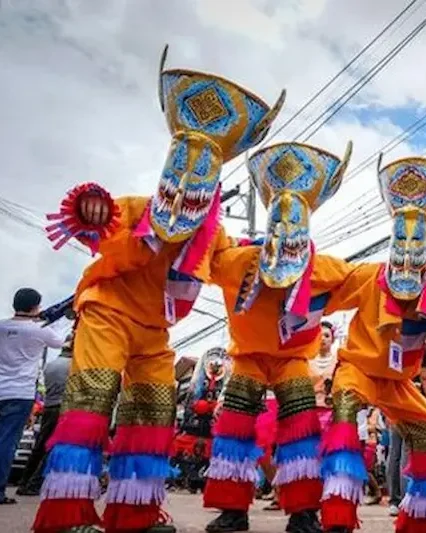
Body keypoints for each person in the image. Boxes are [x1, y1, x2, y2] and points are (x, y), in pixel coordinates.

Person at [32, 49, 285, 533]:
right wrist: (91, 211)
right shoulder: (138, 206)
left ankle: (134, 512)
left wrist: (268, 253)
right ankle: (67, 516)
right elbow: (98, 227)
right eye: (182, 167)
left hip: (155, 332)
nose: (191, 180)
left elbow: (228, 264)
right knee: (93, 400)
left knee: (152, 411)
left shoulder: (214, 234)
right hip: (107, 314)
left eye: (203, 174)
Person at [203, 140, 353, 533]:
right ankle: (232, 510)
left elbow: (369, 282)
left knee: (301, 429)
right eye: (279, 223)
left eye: (296, 225)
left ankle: (303, 512)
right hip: (248, 357)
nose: (286, 233)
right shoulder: (237, 262)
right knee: (235, 427)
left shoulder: (326, 269)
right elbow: (204, 246)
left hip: (292, 361)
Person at [318, 153, 426, 533]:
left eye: (417, 237)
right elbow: (325, 288)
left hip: (400, 381)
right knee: (346, 411)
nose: (407, 245)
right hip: (360, 370)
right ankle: (337, 517)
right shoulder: (369, 276)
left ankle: (422, 521)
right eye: (400, 236)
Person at [0, 288, 63, 505]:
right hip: (20, 393)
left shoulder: (2, 326)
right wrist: (48, 320)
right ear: (36, 306)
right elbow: (62, 342)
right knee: (7, 442)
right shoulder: (39, 331)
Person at [17, 332, 74, 496]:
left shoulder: (51, 364)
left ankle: (24, 481)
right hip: (64, 409)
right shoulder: (74, 366)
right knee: (54, 447)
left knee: (40, 446)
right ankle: (35, 483)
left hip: (49, 407)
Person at [312, 321, 338, 432]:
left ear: (333, 339)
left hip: (332, 411)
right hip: (310, 410)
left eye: (327, 336)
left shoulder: (339, 361)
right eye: (320, 335)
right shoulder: (307, 360)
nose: (323, 338)